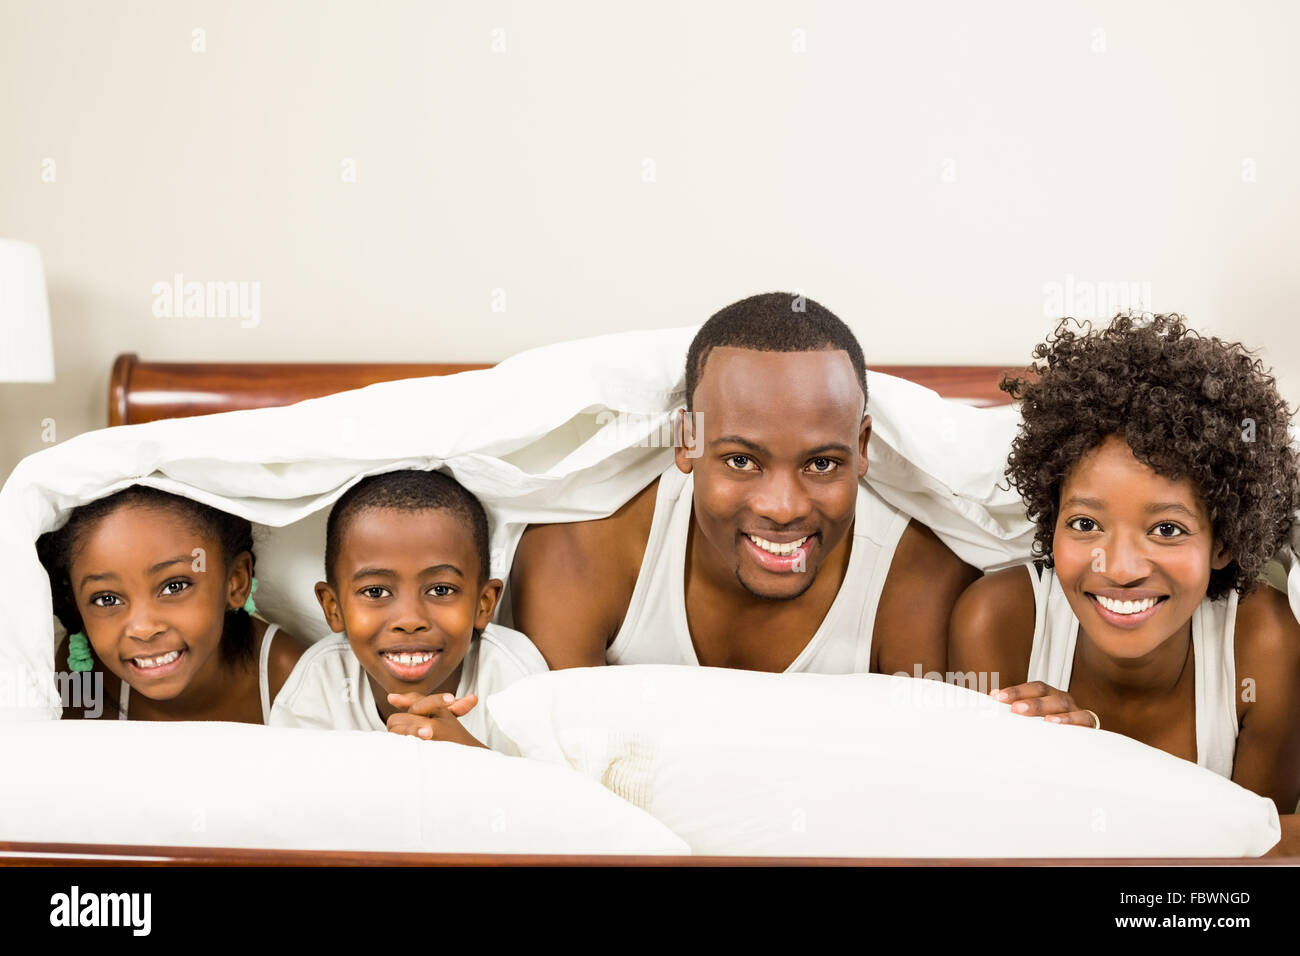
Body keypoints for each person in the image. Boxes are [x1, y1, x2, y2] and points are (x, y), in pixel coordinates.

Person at [509, 292, 980, 675]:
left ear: (862, 448)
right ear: (687, 441)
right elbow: (564, 764)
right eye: (741, 460)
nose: (782, 508)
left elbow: (920, 775)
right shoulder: (579, 553)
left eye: (820, 464)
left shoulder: (918, 578)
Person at [949, 313, 1300, 813]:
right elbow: (980, 825)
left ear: (1222, 543)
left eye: (1167, 530)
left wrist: (1101, 759)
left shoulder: (1266, 647)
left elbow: (1255, 855)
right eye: (1086, 524)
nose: (1119, 568)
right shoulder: (997, 622)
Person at [270, 469, 547, 752]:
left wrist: (470, 757)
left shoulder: (514, 676)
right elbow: (293, 787)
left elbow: (558, 791)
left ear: (484, 603)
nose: (410, 620)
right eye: (375, 592)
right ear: (334, 608)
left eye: (440, 590)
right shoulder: (321, 680)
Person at [37, 485, 308, 723]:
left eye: (174, 586)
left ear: (235, 582)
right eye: (107, 599)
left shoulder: (296, 681)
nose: (143, 628)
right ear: (76, 606)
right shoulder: (78, 681)